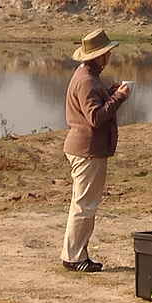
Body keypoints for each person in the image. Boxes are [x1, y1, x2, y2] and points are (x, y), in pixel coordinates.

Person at [61, 28, 131, 273]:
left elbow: (94, 109)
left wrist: (110, 94)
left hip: (86, 148)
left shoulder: (86, 75)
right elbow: (95, 117)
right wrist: (119, 97)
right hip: (87, 150)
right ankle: (74, 256)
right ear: (99, 56)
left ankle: (77, 253)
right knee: (84, 205)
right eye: (108, 52)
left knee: (84, 204)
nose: (110, 56)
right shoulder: (87, 80)